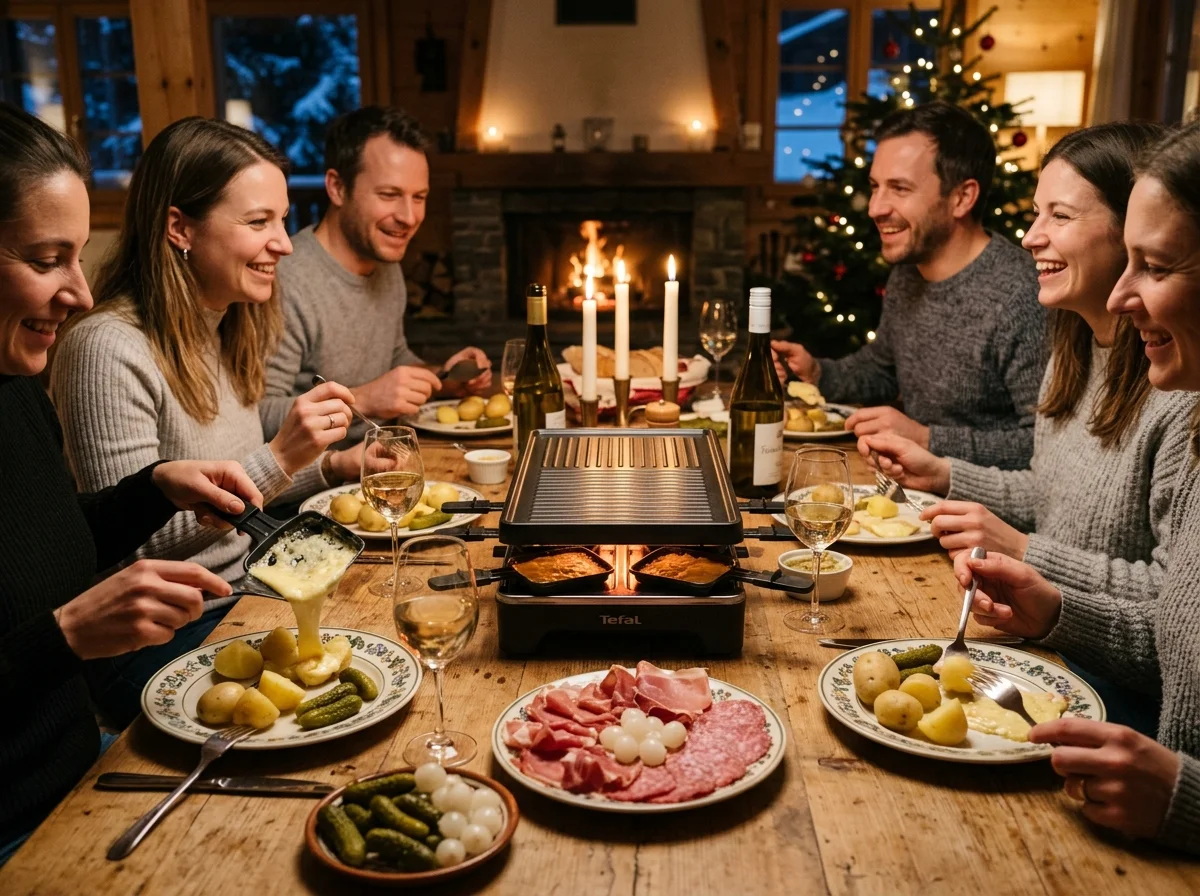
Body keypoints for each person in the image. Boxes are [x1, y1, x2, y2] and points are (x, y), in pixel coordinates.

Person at [0, 101, 261, 862]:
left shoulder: (15, 388)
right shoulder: (97, 348)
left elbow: (46, 541)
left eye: (78, 257)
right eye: (46, 260)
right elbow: (44, 622)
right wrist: (67, 635)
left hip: (83, 777)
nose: (79, 292)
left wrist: (154, 487)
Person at [50, 117, 361, 726]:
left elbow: (237, 494)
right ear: (180, 227)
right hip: (159, 638)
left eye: (282, 218)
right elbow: (129, 552)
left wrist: (333, 463)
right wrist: (280, 458)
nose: (286, 243)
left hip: (245, 600)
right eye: (257, 222)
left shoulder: (225, 327)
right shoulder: (106, 349)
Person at [952, 121, 1200, 854]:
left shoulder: (1179, 405)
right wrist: (1056, 611)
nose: (1126, 295)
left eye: (1152, 264)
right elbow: (1170, 632)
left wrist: (1187, 801)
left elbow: (1159, 604)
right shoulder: (1079, 352)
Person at [860, 123, 1194, 603]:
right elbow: (1048, 495)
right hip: (1040, 626)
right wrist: (942, 473)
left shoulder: (1179, 383)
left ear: (1131, 230)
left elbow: (1170, 601)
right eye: (1038, 214)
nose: (1030, 238)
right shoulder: (1073, 343)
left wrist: (1021, 549)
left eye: (1060, 216)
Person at [772, 102, 1045, 469]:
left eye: (899, 188)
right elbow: (882, 370)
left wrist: (927, 439)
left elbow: (1044, 447)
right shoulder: (909, 270)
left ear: (962, 197)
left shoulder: (1021, 295)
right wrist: (818, 373)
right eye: (875, 187)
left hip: (985, 518)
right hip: (913, 497)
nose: (874, 208)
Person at [260, 106, 491, 447]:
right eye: (389, 195)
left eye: (420, 197)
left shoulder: (385, 262)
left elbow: (393, 358)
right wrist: (362, 400)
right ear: (337, 187)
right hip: (312, 489)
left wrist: (444, 377)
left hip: (386, 464)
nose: (409, 217)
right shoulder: (284, 282)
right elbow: (259, 417)